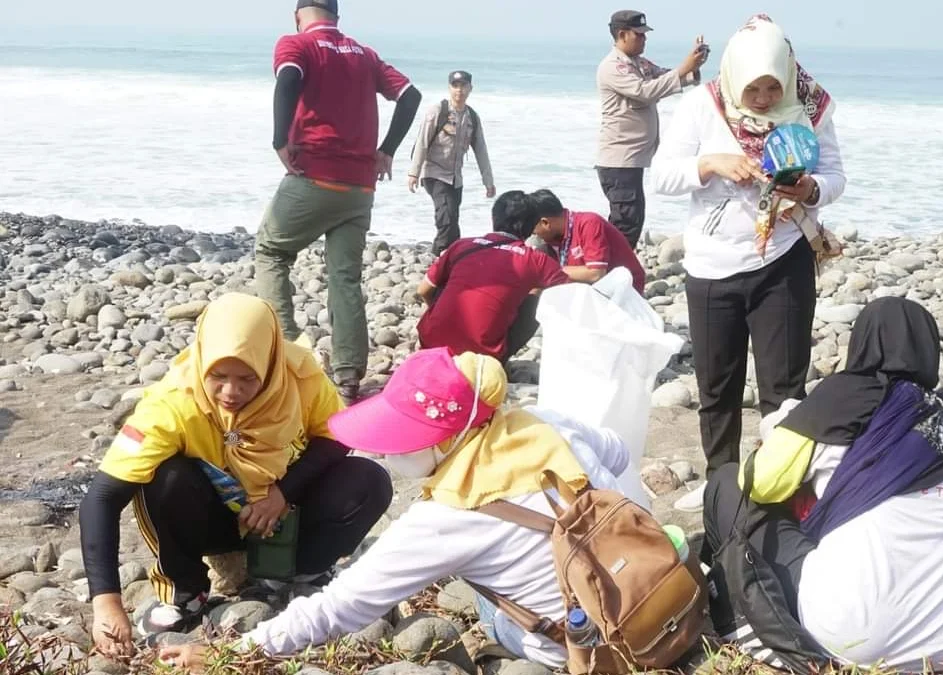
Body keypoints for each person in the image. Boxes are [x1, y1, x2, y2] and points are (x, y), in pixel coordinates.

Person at [159, 348, 630, 670]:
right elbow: (617, 453)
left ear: (449, 437)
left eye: (405, 438)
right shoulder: (543, 423)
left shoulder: (449, 517)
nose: (389, 452)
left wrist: (234, 654)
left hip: (590, 640)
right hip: (643, 577)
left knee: (487, 601)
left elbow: (340, 607)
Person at [80, 293, 393, 656]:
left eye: (248, 378)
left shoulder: (300, 376)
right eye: (218, 376)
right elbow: (101, 498)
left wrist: (283, 492)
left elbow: (338, 435)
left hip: (283, 515)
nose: (231, 392)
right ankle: (186, 592)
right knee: (162, 476)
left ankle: (298, 574)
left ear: (270, 361)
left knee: (368, 479)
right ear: (202, 363)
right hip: (214, 519)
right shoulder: (172, 402)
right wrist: (106, 600)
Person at [702, 298, 943, 671]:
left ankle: (725, 607)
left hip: (854, 637)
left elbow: (760, 483)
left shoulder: (842, 399)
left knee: (725, 485)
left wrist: (784, 428)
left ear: (862, 342)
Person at [651, 14, 846, 511]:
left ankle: (779, 479)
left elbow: (835, 175)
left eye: (771, 88)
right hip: (713, 265)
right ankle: (721, 483)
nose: (762, 99)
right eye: (753, 88)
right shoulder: (703, 104)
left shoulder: (809, 106)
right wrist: (713, 162)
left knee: (784, 386)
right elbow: (662, 176)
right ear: (735, 76)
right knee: (717, 386)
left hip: (783, 259)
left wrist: (809, 189)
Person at [255, 0, 423, 404]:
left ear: (299, 15)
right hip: (359, 188)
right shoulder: (364, 54)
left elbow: (289, 81)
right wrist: (387, 150)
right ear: (336, 17)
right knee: (344, 276)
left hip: (314, 174)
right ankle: (348, 376)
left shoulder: (295, 45)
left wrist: (280, 140)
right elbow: (411, 96)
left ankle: (290, 353)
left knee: (271, 251)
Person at [596, 10, 709, 248]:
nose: (644, 39)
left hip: (633, 158)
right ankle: (610, 270)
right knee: (626, 222)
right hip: (619, 159)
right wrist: (682, 70)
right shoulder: (612, 67)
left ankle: (616, 268)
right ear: (622, 34)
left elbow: (664, 77)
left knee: (630, 219)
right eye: (639, 35)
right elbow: (645, 92)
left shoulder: (639, 63)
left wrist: (693, 65)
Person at [416, 191, 569, 363]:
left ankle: (444, 329)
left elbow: (424, 290)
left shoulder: (461, 245)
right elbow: (570, 294)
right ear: (531, 227)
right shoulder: (535, 260)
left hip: (431, 343)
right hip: (483, 355)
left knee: (448, 281)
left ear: (494, 218)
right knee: (537, 297)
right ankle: (498, 359)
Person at [408, 70, 496, 256]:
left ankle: (452, 258)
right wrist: (413, 173)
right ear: (449, 88)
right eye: (455, 86)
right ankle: (437, 258)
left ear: (470, 88)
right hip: (434, 173)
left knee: (452, 222)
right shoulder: (438, 111)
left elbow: (481, 150)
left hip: (455, 179)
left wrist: (488, 181)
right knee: (446, 218)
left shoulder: (472, 117)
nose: (459, 90)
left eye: (463, 86)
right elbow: (422, 142)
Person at [527, 189, 646, 294]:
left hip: (622, 292)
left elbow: (596, 274)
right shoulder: (556, 236)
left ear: (545, 223)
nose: (536, 236)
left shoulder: (589, 224)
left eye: (534, 231)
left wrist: (549, 269)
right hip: (590, 288)